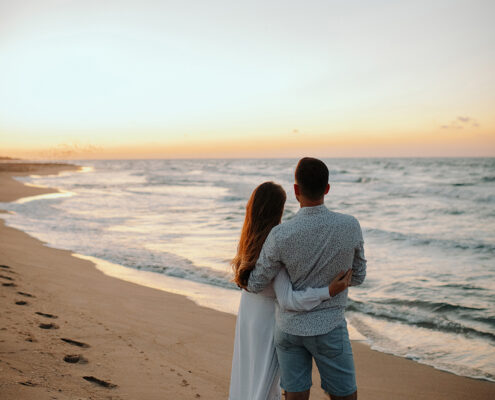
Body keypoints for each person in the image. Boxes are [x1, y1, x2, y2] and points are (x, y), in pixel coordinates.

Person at [247, 158, 367, 400]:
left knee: (295, 395)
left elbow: (256, 284)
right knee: (345, 396)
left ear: (296, 190)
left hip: (289, 329)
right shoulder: (350, 225)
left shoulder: (280, 234)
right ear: (327, 188)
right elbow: (359, 276)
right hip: (329, 326)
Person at [229, 181, 352, 400]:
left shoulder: (248, 241)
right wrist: (328, 291)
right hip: (267, 322)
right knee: (265, 387)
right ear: (278, 209)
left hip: (248, 316)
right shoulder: (274, 243)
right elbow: (288, 300)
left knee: (248, 377)